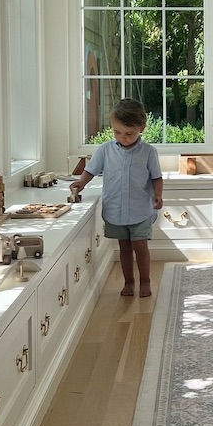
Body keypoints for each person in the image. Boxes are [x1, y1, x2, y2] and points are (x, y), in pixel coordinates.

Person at [70, 99, 163, 297]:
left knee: (140, 246)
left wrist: (158, 195)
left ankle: (145, 281)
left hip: (140, 210)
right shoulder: (105, 150)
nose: (123, 138)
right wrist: (81, 183)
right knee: (124, 247)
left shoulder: (148, 152)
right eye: (117, 132)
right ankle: (129, 282)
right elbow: (91, 170)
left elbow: (157, 177)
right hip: (116, 210)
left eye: (129, 134)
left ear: (141, 128)